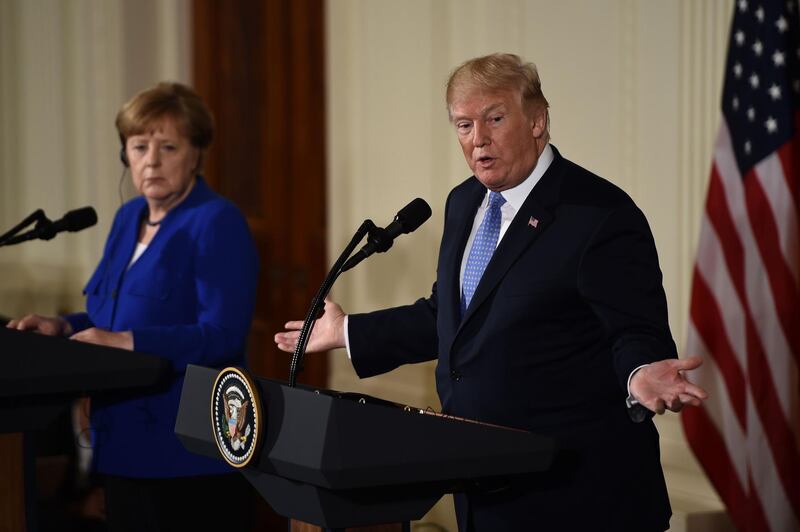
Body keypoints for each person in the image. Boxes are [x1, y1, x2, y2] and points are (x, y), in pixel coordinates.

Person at [275, 53, 707, 531]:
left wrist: (640, 373)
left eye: (494, 119)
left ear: (538, 121)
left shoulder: (598, 214)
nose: (477, 139)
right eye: (463, 125)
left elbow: (633, 330)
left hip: (578, 496)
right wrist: (347, 331)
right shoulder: (464, 203)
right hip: (484, 484)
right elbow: (450, 318)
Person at [8, 82, 259, 531]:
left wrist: (126, 342)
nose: (152, 160)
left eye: (168, 146)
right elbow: (111, 317)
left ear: (197, 153)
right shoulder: (127, 219)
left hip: (187, 449)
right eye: (140, 146)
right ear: (126, 155)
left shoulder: (217, 221)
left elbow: (222, 335)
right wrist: (63, 328)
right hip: (120, 439)